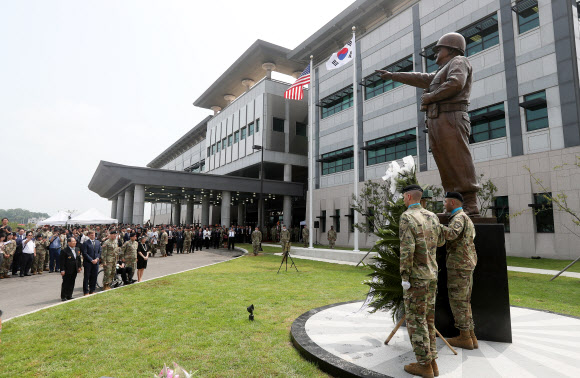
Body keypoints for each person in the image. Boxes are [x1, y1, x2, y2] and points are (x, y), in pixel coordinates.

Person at [378, 33, 479, 215]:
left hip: (452, 116)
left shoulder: (459, 61)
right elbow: (421, 77)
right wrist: (393, 75)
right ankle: (453, 205)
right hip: (437, 119)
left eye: (439, 49)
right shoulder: (443, 69)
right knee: (445, 163)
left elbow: (456, 83)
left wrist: (431, 96)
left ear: (451, 49)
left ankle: (469, 204)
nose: (435, 54)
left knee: (458, 160)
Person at [399, 184, 445, 377]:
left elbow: (407, 249)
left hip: (416, 278)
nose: (403, 199)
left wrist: (404, 276)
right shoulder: (432, 216)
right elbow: (441, 241)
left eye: (403, 197)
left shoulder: (407, 217)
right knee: (429, 319)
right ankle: (432, 361)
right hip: (432, 275)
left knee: (416, 321)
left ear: (409, 197)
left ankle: (424, 365)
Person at [440, 192, 478, 350]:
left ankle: (464, 338)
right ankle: (471, 336)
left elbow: (451, 234)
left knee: (458, 302)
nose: (444, 204)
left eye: (446, 202)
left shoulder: (459, 218)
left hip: (459, 266)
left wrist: (435, 224)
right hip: (465, 264)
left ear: (453, 203)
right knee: (465, 301)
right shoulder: (465, 218)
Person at [60, 237, 82, 301]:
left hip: (74, 269)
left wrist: (79, 267)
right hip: (67, 269)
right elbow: (62, 262)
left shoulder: (77, 249)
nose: (74, 243)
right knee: (66, 283)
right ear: (69, 243)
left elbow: (78, 259)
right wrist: (62, 270)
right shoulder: (64, 251)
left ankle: (69, 295)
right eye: (73, 241)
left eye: (75, 241)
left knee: (72, 282)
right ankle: (64, 296)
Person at [81, 231, 101, 296]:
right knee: (87, 277)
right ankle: (86, 291)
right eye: (91, 235)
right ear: (89, 235)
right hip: (88, 263)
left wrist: (97, 259)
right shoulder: (85, 243)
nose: (93, 236)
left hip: (96, 262)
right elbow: (84, 253)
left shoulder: (98, 242)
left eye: (94, 235)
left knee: (94, 276)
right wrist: (91, 260)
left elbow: (99, 251)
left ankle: (92, 290)